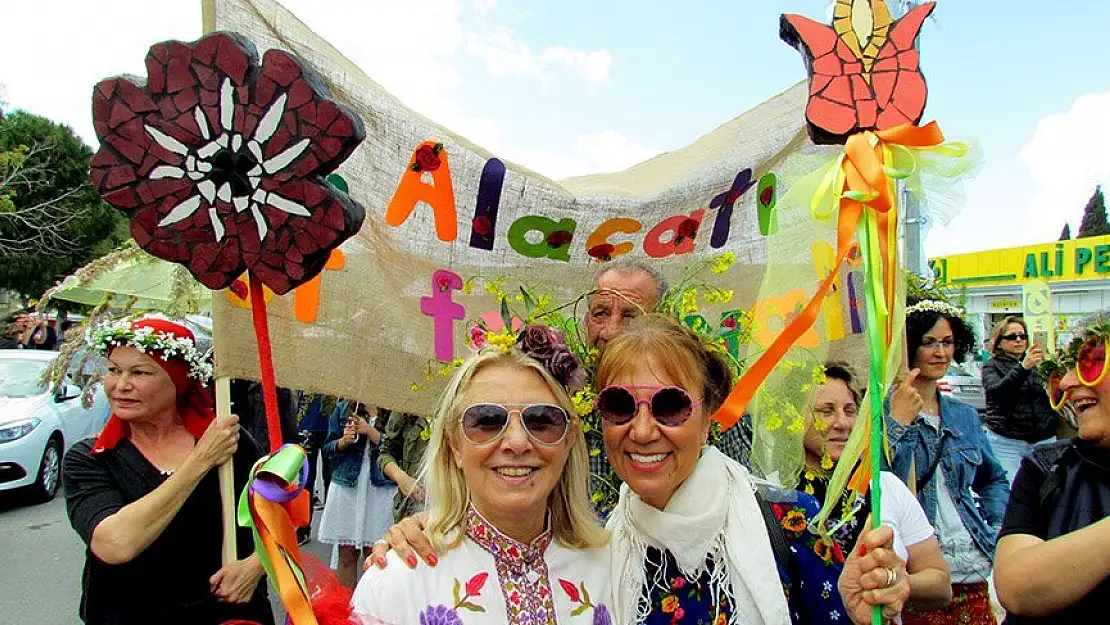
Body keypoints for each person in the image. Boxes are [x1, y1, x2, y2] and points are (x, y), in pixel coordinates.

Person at [373, 316, 912, 624]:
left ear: (708, 418)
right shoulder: (604, 544)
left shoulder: (791, 526)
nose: (644, 430)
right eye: (620, 406)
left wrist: (858, 614)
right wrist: (427, 532)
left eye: (672, 405)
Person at [352, 327, 613, 624]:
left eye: (541, 421)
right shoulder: (397, 583)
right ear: (455, 444)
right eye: (487, 421)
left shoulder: (611, 569)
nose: (517, 443)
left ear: (568, 440)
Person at [62, 318, 273, 625]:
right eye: (113, 370)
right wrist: (200, 461)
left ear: (178, 381)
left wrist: (257, 564)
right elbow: (115, 544)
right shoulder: (91, 459)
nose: (121, 385)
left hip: (226, 615)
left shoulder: (229, 443)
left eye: (139, 372)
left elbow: (281, 515)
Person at [584, 262, 753, 515]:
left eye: (631, 316)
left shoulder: (709, 398)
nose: (611, 331)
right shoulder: (564, 405)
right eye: (600, 313)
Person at [886, 300, 1010, 625]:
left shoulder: (963, 416)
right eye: (929, 342)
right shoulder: (883, 412)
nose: (940, 352)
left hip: (970, 564)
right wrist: (899, 424)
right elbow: (886, 486)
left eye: (947, 342)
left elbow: (993, 478)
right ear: (909, 345)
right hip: (916, 568)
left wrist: (996, 526)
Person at [801, 362, 952, 608]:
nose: (843, 423)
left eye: (850, 411)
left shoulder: (885, 487)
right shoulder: (778, 496)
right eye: (826, 411)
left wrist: (897, 582)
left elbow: (941, 585)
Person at [993, 316, 1110, 624]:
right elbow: (1018, 587)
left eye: (1091, 361)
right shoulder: (1047, 467)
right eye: (1059, 376)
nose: (1069, 384)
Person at [317, 400, 397, 589]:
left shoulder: (396, 411)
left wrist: (371, 431)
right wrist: (342, 442)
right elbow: (327, 449)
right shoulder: (344, 408)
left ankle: (372, 611)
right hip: (348, 487)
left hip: (381, 488)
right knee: (346, 553)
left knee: (377, 553)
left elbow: (399, 450)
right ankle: (343, 612)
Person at [981, 316, 1057, 484]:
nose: (1018, 340)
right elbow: (997, 392)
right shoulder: (991, 366)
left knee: (1048, 491)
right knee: (1011, 491)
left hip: (1042, 439)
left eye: (1023, 336)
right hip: (1007, 441)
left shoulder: (1041, 364)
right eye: (1011, 337)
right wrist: (1023, 368)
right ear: (999, 342)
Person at [377, 408, 430, 522]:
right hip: (410, 511)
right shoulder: (407, 406)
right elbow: (386, 453)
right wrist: (401, 478)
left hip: (449, 512)